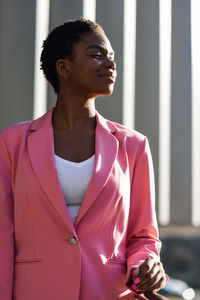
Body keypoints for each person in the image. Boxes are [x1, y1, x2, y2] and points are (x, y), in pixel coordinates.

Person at [0, 18, 167, 300]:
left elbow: (143, 237)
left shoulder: (133, 146)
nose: (110, 64)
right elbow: (3, 237)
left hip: (108, 292)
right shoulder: (12, 143)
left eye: (112, 57)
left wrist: (146, 263)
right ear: (63, 67)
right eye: (96, 55)